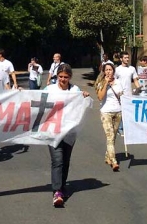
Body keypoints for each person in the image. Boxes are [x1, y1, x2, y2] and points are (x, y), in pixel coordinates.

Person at [43, 63, 90, 207]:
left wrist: (84, 95)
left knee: (65, 161)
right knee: (57, 160)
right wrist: (21, 93)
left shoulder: (74, 90)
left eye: (66, 77)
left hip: (69, 132)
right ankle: (57, 192)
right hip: (53, 131)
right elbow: (36, 100)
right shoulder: (50, 89)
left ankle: (62, 187)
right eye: (60, 76)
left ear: (70, 77)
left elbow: (81, 105)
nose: (62, 79)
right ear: (57, 76)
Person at [96, 63, 122, 171]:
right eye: (106, 70)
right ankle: (114, 161)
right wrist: (106, 83)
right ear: (103, 71)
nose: (108, 72)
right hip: (106, 112)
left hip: (117, 112)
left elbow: (121, 95)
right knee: (109, 136)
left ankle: (108, 157)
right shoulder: (100, 83)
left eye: (110, 70)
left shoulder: (118, 82)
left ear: (113, 71)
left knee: (113, 136)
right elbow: (100, 97)